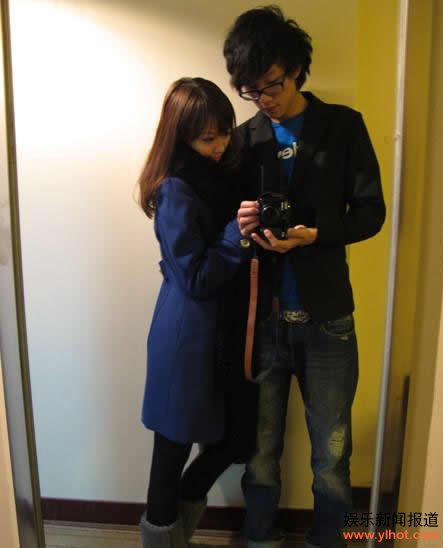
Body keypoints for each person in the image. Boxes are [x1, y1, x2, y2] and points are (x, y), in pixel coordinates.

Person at [223, 6, 386, 548]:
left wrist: (315, 234)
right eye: (251, 91)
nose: (263, 99)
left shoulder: (343, 126)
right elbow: (225, 227)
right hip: (263, 320)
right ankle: (259, 538)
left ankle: (329, 540)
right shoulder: (244, 139)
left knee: (332, 455)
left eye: (271, 85)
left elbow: (372, 213)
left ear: (295, 69)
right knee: (260, 452)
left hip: (327, 319)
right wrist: (240, 223)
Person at [138, 77, 256, 548]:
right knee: (170, 452)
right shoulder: (176, 189)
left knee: (236, 441)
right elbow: (197, 277)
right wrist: (236, 234)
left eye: (224, 132)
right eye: (208, 138)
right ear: (181, 135)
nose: (221, 144)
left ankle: (177, 533)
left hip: (222, 333)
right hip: (186, 336)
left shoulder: (223, 176)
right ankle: (164, 540)